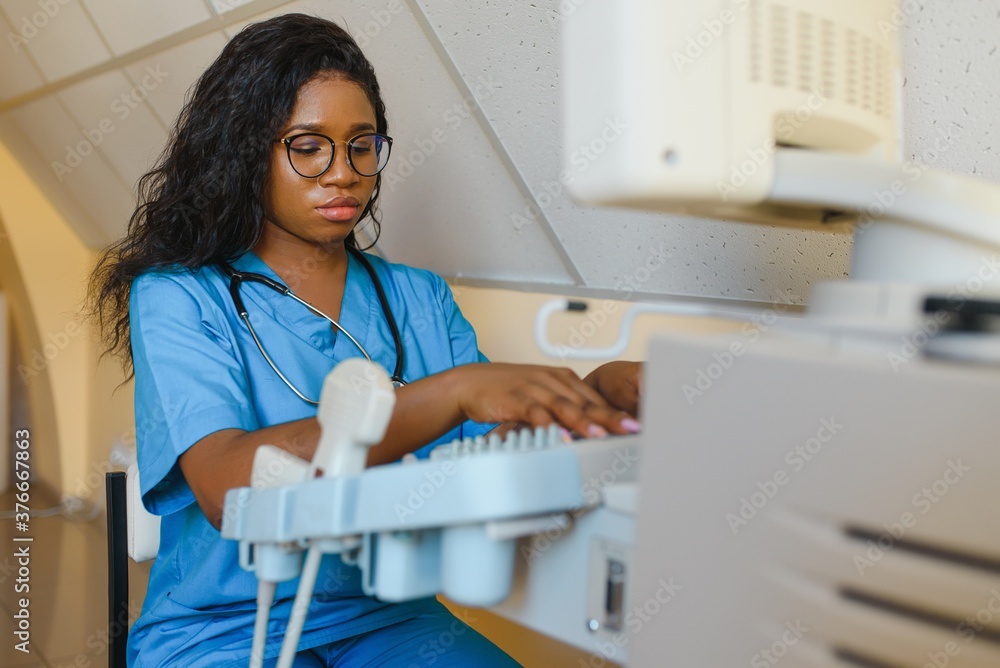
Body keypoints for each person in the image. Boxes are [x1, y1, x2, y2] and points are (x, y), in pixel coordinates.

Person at [89, 12, 642, 668]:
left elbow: (492, 449)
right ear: (243, 151)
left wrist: (596, 394)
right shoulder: (179, 295)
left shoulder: (417, 298)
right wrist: (450, 392)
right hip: (224, 631)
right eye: (308, 146)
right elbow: (227, 488)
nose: (344, 172)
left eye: (361, 145)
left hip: (390, 617)